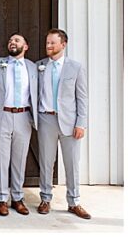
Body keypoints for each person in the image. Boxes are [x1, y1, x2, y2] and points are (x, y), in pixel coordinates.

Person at [36, 28, 91, 219]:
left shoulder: (75, 67)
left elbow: (82, 98)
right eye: (47, 42)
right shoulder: (39, 66)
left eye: (52, 43)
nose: (48, 46)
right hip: (46, 119)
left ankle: (74, 202)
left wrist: (81, 123)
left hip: (69, 121)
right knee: (46, 161)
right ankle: (45, 199)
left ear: (63, 44)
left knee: (72, 163)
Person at [0, 33, 39, 216]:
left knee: (19, 160)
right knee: (0, 160)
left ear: (26, 46)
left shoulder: (34, 67)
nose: (12, 42)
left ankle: (17, 198)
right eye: (10, 40)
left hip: (23, 116)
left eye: (17, 40)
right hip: (1, 116)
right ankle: (2, 199)